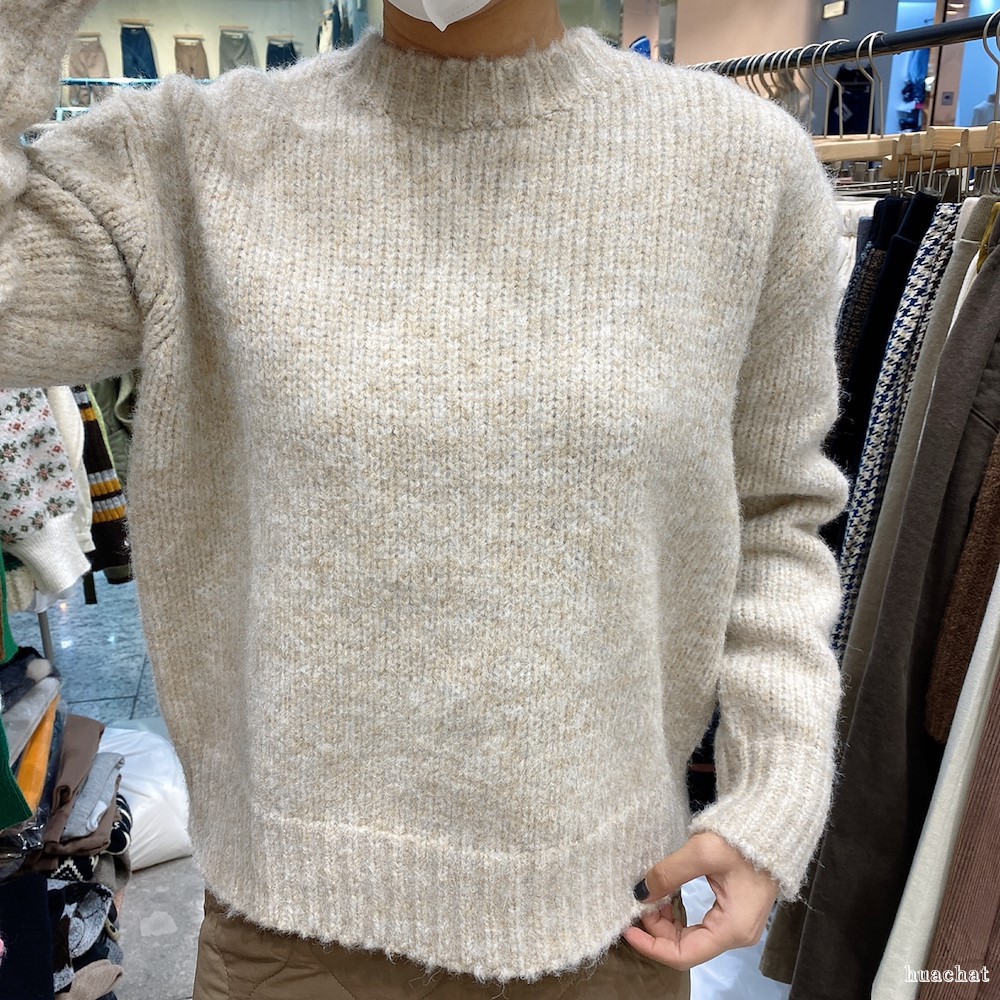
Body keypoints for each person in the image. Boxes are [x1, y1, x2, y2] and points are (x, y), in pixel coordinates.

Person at [0, 0, 848, 997]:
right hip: (292, 936)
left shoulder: (741, 169)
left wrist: (773, 787)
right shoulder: (185, 164)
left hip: (608, 925)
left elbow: (775, 516)